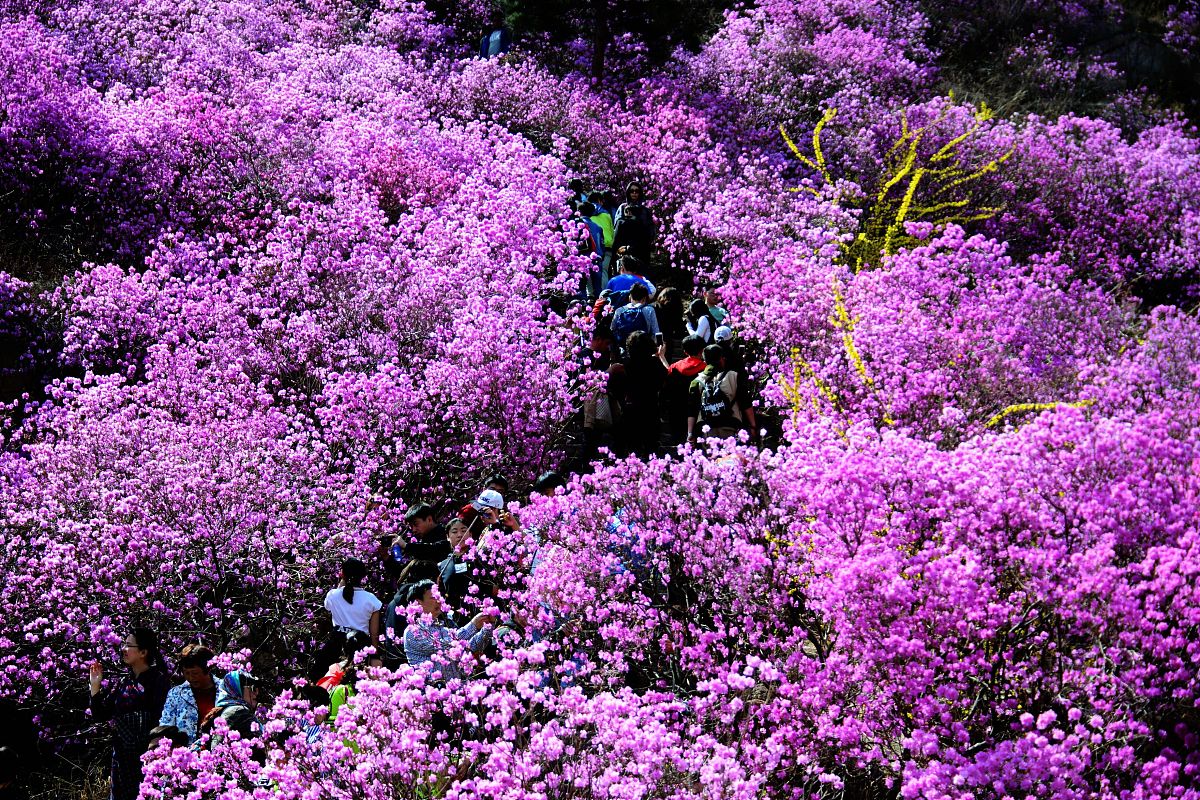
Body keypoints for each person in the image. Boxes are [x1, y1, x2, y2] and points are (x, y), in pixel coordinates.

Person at [88, 627, 171, 800]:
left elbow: (160, 718)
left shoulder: (159, 680)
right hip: (122, 755)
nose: (123, 649)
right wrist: (95, 686)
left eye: (128, 645)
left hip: (146, 753)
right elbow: (100, 715)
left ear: (143, 652)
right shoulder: (124, 682)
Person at [402, 581, 495, 681]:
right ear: (418, 602)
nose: (438, 601)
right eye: (433, 597)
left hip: (455, 691)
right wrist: (473, 625)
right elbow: (445, 645)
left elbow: (469, 647)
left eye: (439, 596)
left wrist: (487, 627)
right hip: (432, 693)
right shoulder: (412, 632)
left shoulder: (443, 628)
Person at [319, 558, 382, 675]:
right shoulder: (371, 599)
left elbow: (329, 605)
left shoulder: (333, 595)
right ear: (363, 576)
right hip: (360, 645)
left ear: (342, 573)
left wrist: (342, 582)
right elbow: (374, 634)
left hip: (335, 644)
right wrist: (374, 654)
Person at [617, 330, 666, 456]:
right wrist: (661, 356)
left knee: (633, 448)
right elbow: (666, 378)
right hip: (651, 407)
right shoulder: (654, 363)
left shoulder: (624, 364)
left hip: (630, 407)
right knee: (651, 447)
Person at [158, 643, 217, 744]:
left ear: (207, 670)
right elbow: (166, 726)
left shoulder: (224, 690)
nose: (190, 678)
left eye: (195, 673)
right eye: (186, 673)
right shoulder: (176, 694)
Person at [687, 345, 745, 442]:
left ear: (705, 361)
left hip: (706, 429)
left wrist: (690, 433)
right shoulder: (734, 376)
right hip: (730, 425)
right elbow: (745, 402)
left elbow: (692, 410)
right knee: (729, 456)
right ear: (722, 358)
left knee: (710, 456)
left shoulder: (696, 381)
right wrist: (753, 426)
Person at [662, 335, 708, 445]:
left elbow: (667, 373)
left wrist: (662, 357)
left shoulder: (675, 367)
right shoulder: (706, 368)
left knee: (678, 441)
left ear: (685, 351)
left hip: (677, 408)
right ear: (702, 350)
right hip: (696, 411)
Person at [200, 671, 262, 743]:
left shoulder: (223, 710)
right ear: (237, 688)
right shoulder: (240, 711)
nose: (256, 693)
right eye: (253, 688)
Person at [611, 181, 656, 262]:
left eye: (637, 191)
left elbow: (650, 231)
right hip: (624, 250)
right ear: (628, 193)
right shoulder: (622, 208)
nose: (634, 193)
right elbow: (617, 230)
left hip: (641, 250)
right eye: (632, 191)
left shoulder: (645, 211)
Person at [610, 282, 661, 349]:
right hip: (644, 348)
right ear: (644, 298)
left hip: (624, 349)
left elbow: (612, 329)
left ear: (630, 297)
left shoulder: (620, 310)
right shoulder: (649, 310)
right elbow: (655, 331)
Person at [653, 287, 687, 362]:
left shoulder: (654, 307)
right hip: (667, 340)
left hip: (653, 338)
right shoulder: (676, 310)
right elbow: (679, 331)